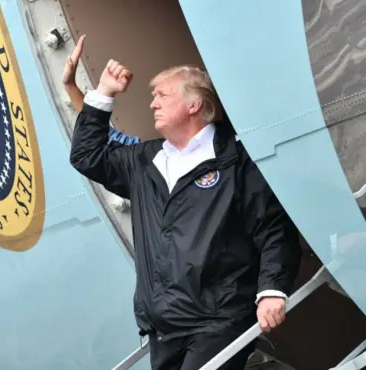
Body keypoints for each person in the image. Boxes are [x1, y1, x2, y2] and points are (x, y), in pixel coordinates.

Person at [69, 55, 302, 370]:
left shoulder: (237, 160)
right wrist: (104, 92)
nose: (152, 104)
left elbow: (273, 228)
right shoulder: (143, 162)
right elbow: (86, 156)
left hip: (219, 318)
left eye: (162, 95)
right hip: (163, 325)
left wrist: (272, 290)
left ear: (194, 105)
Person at [62, 34, 141, 146]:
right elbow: (102, 134)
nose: (154, 104)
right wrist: (70, 84)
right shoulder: (145, 153)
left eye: (164, 95)